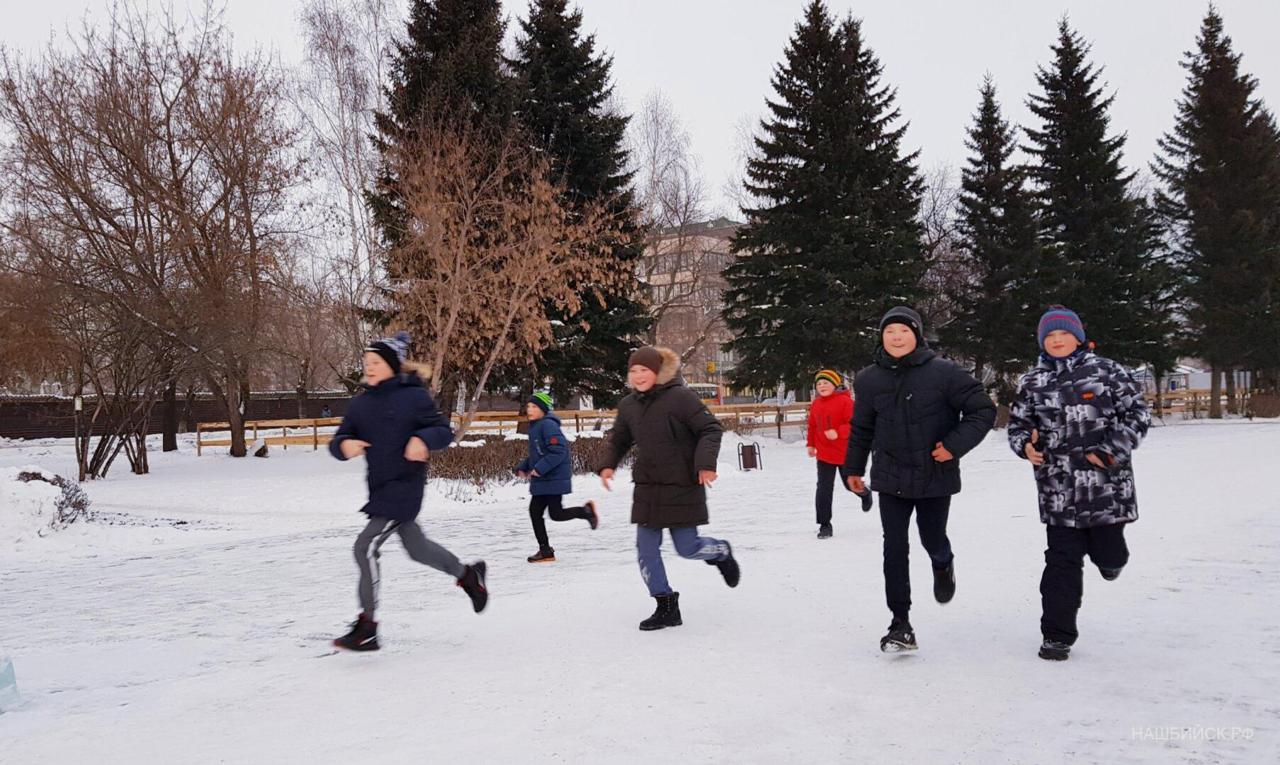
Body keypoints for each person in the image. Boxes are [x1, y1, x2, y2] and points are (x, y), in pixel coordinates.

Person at [844, 307, 996, 652]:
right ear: (881, 337)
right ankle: (901, 623)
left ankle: (943, 563)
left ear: (917, 335)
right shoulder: (868, 379)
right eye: (889, 332)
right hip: (890, 475)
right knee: (894, 547)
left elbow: (982, 409)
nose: (896, 337)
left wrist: (954, 446)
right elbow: (862, 428)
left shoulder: (944, 373)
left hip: (933, 474)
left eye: (903, 331)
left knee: (932, 538)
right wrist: (853, 469)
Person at [328, 331, 488, 652]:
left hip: (404, 488)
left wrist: (423, 440)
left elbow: (443, 431)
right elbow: (338, 439)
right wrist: (344, 445)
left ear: (391, 365)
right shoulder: (361, 404)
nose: (369, 367)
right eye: (366, 362)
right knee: (417, 548)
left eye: (375, 362)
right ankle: (468, 576)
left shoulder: (414, 397)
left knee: (365, 547)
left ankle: (368, 627)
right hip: (380, 488)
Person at [1007, 306, 1150, 661]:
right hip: (1058, 491)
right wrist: (1026, 445)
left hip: (1106, 488)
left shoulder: (1108, 372)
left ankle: (1112, 558)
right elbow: (1018, 425)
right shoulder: (1033, 381)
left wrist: (1111, 449)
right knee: (1061, 562)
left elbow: (1138, 414)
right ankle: (1057, 635)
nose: (1057, 341)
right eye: (1050, 337)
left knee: (1108, 551)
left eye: (1064, 335)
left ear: (1078, 337)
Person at [596, 346, 740, 631]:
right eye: (633, 371)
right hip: (648, 487)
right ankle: (665, 604)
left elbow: (710, 429)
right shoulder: (628, 405)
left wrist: (705, 464)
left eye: (644, 370)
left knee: (687, 548)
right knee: (646, 550)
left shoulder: (681, 398)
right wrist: (608, 464)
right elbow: (620, 439)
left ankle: (720, 551)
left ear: (658, 371)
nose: (638, 376)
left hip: (682, 484)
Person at [517, 391, 599, 563]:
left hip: (553, 478)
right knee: (539, 512)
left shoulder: (548, 425)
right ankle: (545, 550)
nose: (530, 410)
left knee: (554, 513)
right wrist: (524, 467)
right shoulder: (537, 426)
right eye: (528, 406)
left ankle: (586, 512)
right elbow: (538, 454)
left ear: (543, 409)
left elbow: (559, 451)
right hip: (544, 478)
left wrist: (539, 469)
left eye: (534, 407)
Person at [806, 368, 873, 539]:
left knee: (850, 485)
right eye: (819, 383)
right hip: (824, 454)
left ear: (835, 384)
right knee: (823, 489)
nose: (822, 386)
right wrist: (811, 444)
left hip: (845, 453)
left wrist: (838, 432)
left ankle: (865, 493)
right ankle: (824, 524)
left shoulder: (845, 402)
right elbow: (812, 426)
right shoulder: (816, 404)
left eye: (826, 382)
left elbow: (854, 424)